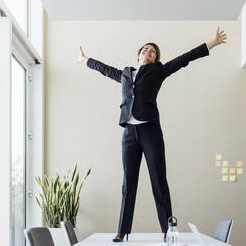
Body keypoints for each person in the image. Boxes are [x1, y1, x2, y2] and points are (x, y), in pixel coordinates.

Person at [77, 27, 227, 243]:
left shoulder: (158, 71)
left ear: (155, 59)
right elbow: (104, 69)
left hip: (150, 131)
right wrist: (85, 59)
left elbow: (185, 58)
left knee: (159, 180)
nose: (148, 52)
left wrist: (212, 43)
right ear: (138, 55)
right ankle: (122, 231)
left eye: (153, 52)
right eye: (145, 50)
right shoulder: (125, 74)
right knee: (128, 184)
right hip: (129, 133)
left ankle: (167, 231)